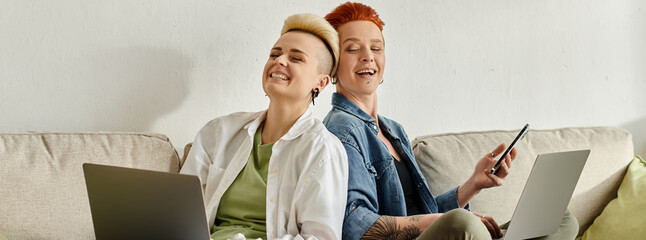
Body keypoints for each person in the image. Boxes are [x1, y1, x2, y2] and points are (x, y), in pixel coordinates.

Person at [321, 2, 579, 240]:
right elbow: (355, 224)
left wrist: (473, 184)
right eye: (353, 49)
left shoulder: (393, 130)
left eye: (376, 48)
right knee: (462, 224)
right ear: (333, 64)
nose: (368, 56)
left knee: (562, 218)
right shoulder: (342, 130)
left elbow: (423, 213)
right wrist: (450, 219)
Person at [180, 13, 348, 240]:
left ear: (321, 82)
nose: (279, 60)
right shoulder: (218, 132)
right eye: (275, 54)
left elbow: (320, 237)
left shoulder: (323, 150)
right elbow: (180, 216)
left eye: (296, 58)